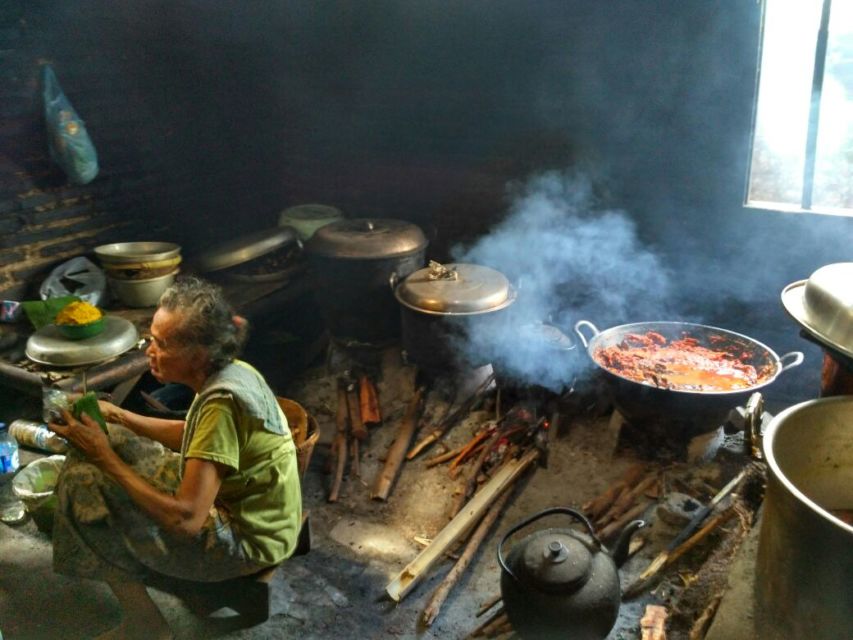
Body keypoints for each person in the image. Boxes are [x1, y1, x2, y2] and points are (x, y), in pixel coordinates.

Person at [48, 276, 302, 640]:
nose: (149, 350)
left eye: (162, 343)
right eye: (151, 337)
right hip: (260, 513)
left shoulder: (223, 403)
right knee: (112, 437)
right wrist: (120, 416)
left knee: (81, 484)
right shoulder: (232, 370)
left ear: (198, 354)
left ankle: (145, 624)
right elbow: (193, 435)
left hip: (250, 541)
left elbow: (186, 520)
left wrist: (105, 459)